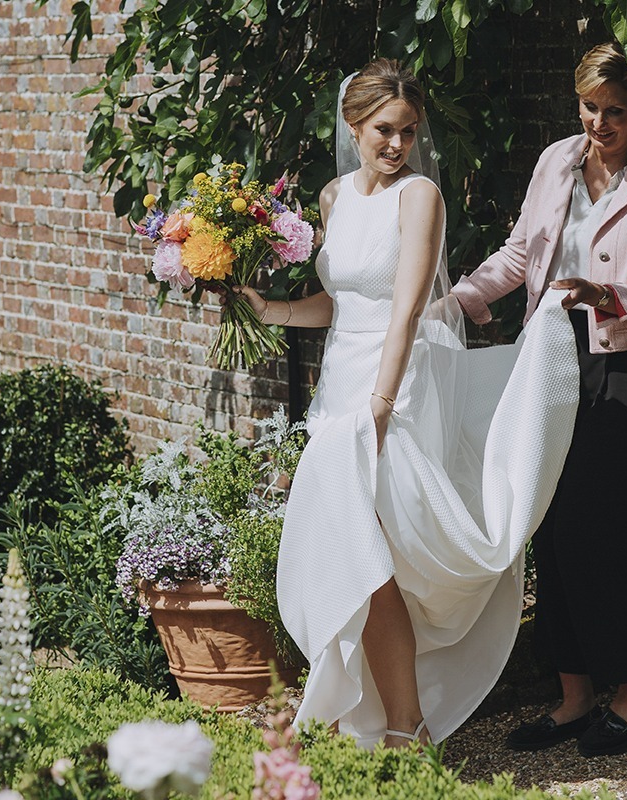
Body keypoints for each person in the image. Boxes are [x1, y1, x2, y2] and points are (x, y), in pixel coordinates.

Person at [236, 58, 581, 748]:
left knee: (373, 551)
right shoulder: (334, 197)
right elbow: (341, 303)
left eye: (408, 132)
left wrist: (383, 405)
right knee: (357, 554)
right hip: (341, 387)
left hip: (395, 386)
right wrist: (266, 307)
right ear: (354, 125)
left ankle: (396, 722)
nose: (397, 145)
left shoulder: (419, 196)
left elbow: (403, 310)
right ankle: (389, 721)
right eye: (384, 131)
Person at [452, 41, 627, 757]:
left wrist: (602, 294)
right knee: (551, 522)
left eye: (614, 111)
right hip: (550, 361)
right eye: (589, 107)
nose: (599, 124)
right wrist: (457, 300)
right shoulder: (558, 159)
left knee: (610, 529)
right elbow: (523, 254)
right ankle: (573, 695)